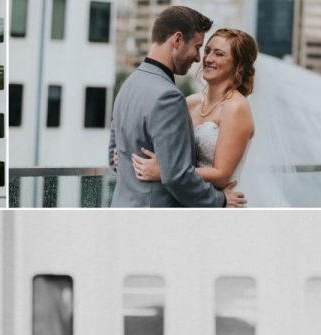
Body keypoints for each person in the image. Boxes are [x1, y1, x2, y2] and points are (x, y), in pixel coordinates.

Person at [108, 6, 246, 208]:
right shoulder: (168, 96)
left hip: (122, 213)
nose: (199, 58)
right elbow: (177, 177)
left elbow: (114, 158)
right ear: (177, 40)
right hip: (156, 218)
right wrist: (221, 200)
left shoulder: (128, 85)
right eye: (198, 47)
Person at [131, 28, 257, 193]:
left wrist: (166, 172)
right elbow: (165, 145)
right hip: (184, 199)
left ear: (239, 65)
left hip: (219, 203)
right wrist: (128, 154)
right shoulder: (190, 102)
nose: (208, 58)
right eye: (207, 51)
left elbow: (221, 175)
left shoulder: (236, 108)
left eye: (219, 54)